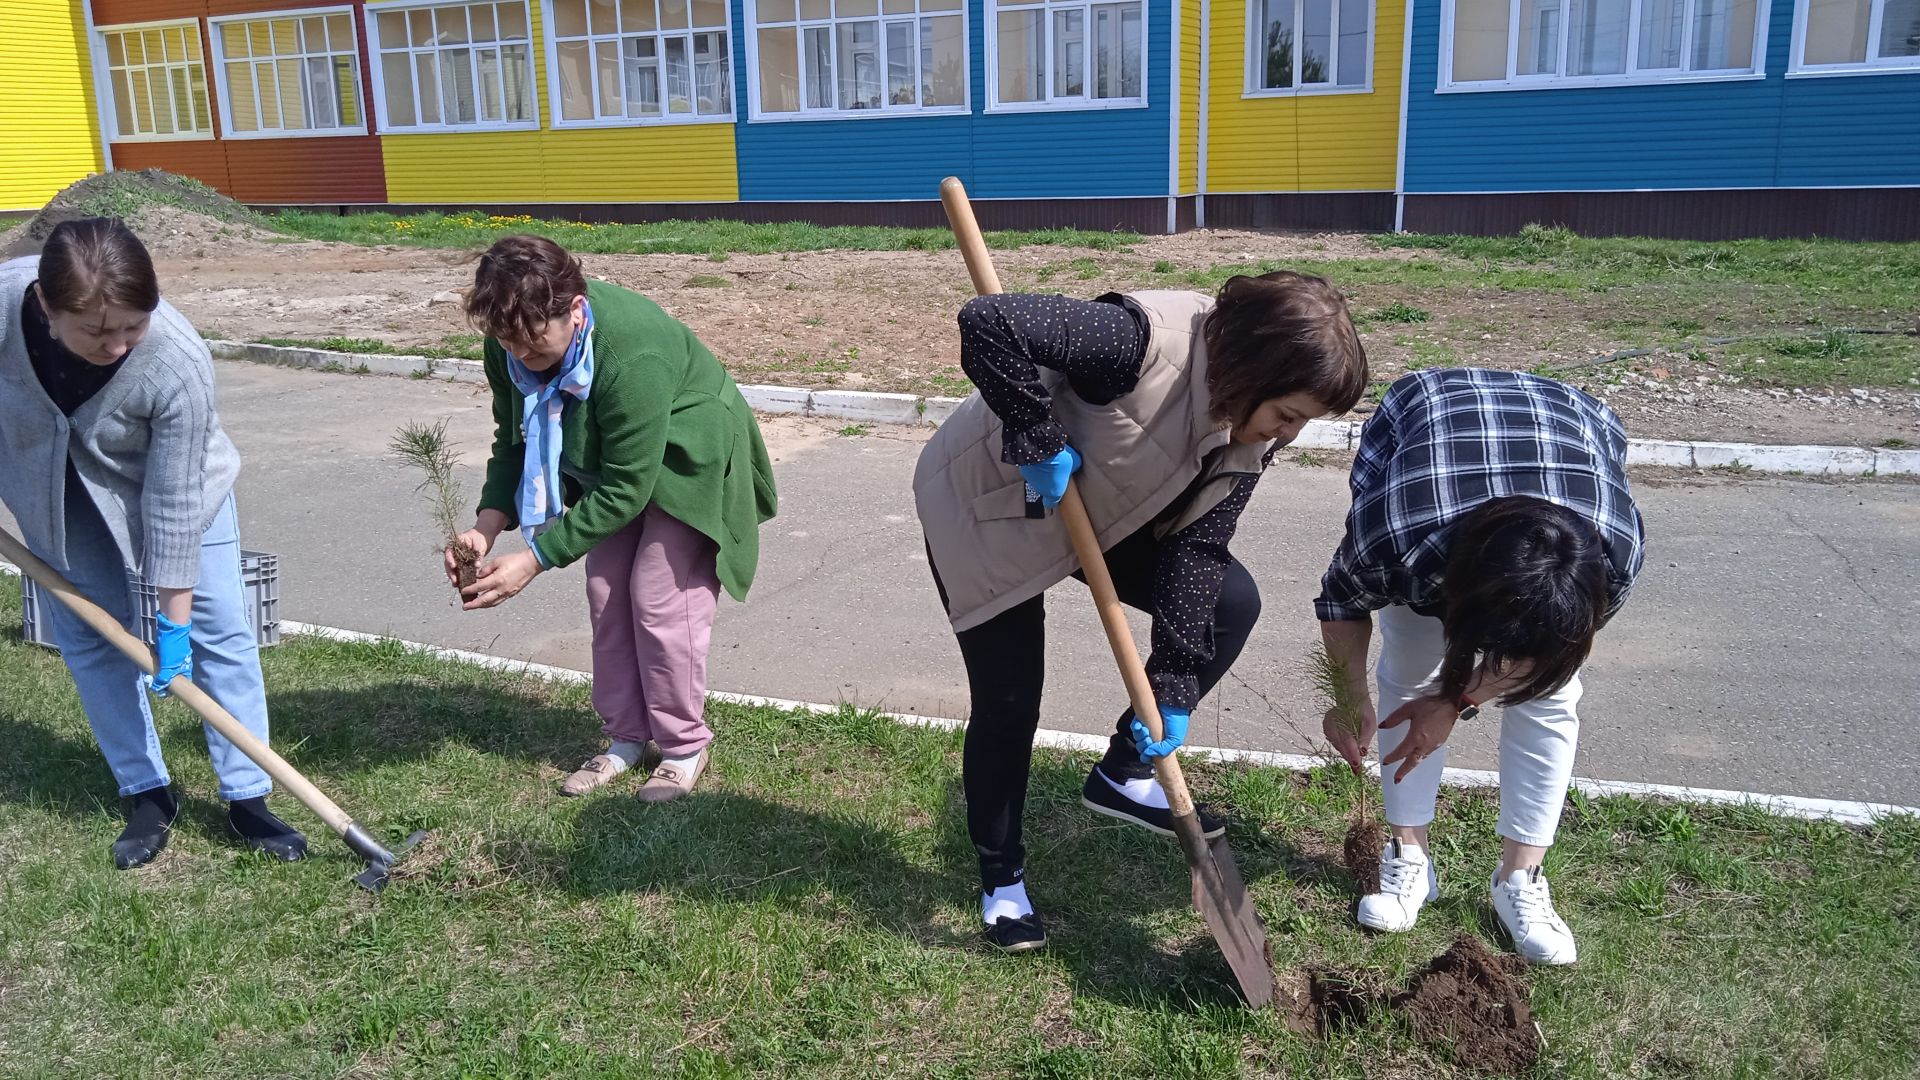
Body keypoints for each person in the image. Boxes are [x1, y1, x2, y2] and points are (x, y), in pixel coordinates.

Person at [913, 272, 1369, 952]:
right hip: (991, 509)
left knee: (1230, 601)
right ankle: (1001, 880)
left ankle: (1123, 770)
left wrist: (1174, 684)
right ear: (1252, 367)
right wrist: (1035, 438)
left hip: (1100, 510)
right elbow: (989, 321)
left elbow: (1200, 543)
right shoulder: (1138, 342)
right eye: (1290, 413)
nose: (1290, 433)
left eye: (1302, 421)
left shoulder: (1251, 427)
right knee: (1010, 703)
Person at [0, 218, 306, 868]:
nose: (117, 345)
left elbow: (172, 504)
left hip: (178, 486)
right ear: (46, 305)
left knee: (217, 629)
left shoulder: (176, 358)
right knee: (89, 634)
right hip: (53, 489)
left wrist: (171, 626)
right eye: (97, 332)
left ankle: (249, 797)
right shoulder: (3, 305)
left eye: (131, 327)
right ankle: (147, 792)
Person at [1315, 366, 1647, 966]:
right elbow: (1340, 603)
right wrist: (1347, 699)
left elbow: (1543, 658)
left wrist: (1457, 701)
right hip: (1427, 414)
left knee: (1548, 699)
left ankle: (1519, 879)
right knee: (1412, 660)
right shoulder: (1400, 538)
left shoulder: (1611, 559)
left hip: (1574, 424)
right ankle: (1408, 856)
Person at [451, 235, 777, 802]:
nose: (523, 360)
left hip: (686, 452)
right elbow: (516, 441)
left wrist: (535, 559)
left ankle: (682, 746)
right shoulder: (510, 339)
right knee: (606, 591)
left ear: (575, 311)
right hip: (616, 459)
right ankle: (626, 738)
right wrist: (484, 527)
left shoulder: (633, 353)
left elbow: (629, 486)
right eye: (510, 347)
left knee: (660, 600)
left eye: (535, 348)